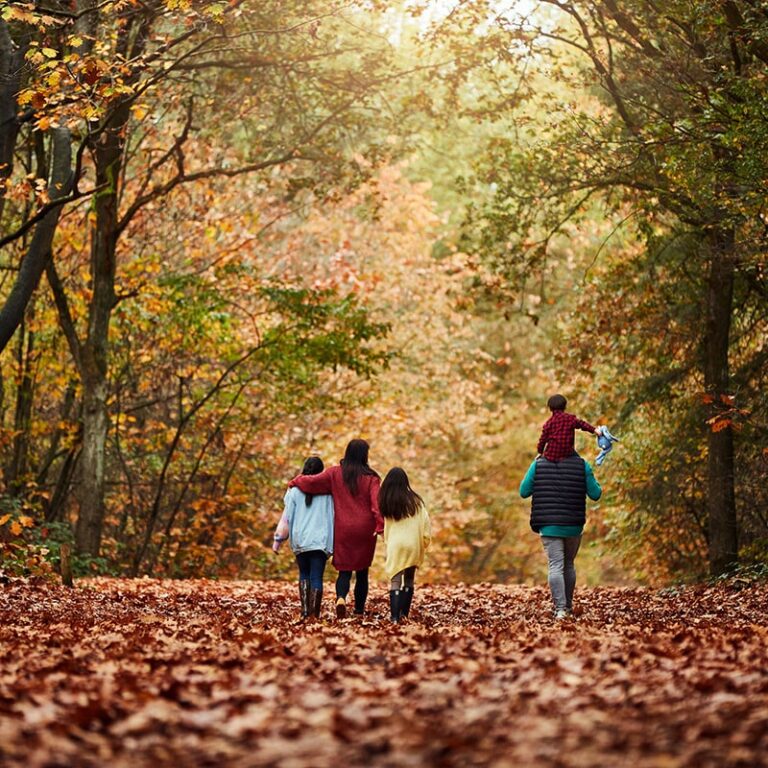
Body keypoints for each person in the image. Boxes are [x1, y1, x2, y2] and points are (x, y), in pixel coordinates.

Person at [289, 439, 383, 618]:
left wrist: (295, 481)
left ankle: (341, 598)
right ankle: (359, 610)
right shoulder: (372, 478)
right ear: (365, 455)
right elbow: (376, 504)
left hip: (343, 529)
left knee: (345, 569)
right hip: (365, 530)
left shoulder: (335, 474)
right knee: (362, 572)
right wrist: (380, 525)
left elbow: (311, 482)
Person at [519, 451, 602, 619]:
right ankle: (568, 606)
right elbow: (596, 494)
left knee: (555, 565)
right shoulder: (582, 465)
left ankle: (561, 610)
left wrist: (536, 466)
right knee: (568, 564)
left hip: (548, 525)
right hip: (573, 526)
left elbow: (524, 491)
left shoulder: (538, 464)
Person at [273, 457, 334, 620]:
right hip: (320, 540)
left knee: (304, 574)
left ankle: (305, 611)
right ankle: (315, 614)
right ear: (321, 472)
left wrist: (278, 540)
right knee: (316, 576)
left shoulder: (293, 491)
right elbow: (334, 516)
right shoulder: (329, 493)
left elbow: (287, 518)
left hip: (300, 539)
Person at [379, 467, 431, 623]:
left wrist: (387, 543)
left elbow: (387, 528)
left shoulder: (387, 503)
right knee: (409, 580)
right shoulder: (416, 502)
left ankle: (394, 618)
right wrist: (424, 542)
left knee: (395, 581)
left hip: (396, 544)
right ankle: (404, 615)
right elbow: (426, 525)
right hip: (413, 544)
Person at [537, 393, 597, 462]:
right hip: (568, 453)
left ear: (550, 408)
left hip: (552, 454)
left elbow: (542, 440)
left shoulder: (549, 423)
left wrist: (540, 452)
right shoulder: (570, 419)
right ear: (565, 406)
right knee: (581, 462)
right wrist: (594, 430)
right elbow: (582, 424)